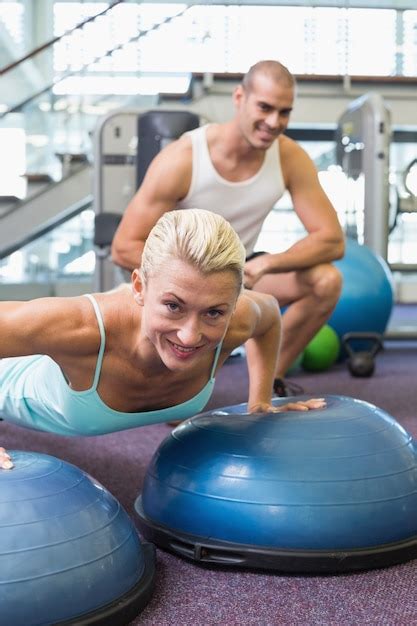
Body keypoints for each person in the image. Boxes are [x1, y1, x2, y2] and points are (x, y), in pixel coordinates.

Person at [0, 209, 325, 470]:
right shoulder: (80, 328)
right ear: (139, 287)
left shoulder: (239, 318)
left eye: (213, 313)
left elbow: (268, 315)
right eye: (174, 306)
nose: (190, 335)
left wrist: (260, 402)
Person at [111, 60, 345, 396]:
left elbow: (332, 240)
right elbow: (124, 246)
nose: (273, 122)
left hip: (242, 271)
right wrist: (190, 278)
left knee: (326, 281)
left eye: (284, 112)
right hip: (182, 282)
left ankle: (268, 382)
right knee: (177, 413)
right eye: (264, 107)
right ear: (239, 98)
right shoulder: (184, 158)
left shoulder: (290, 157)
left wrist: (265, 263)